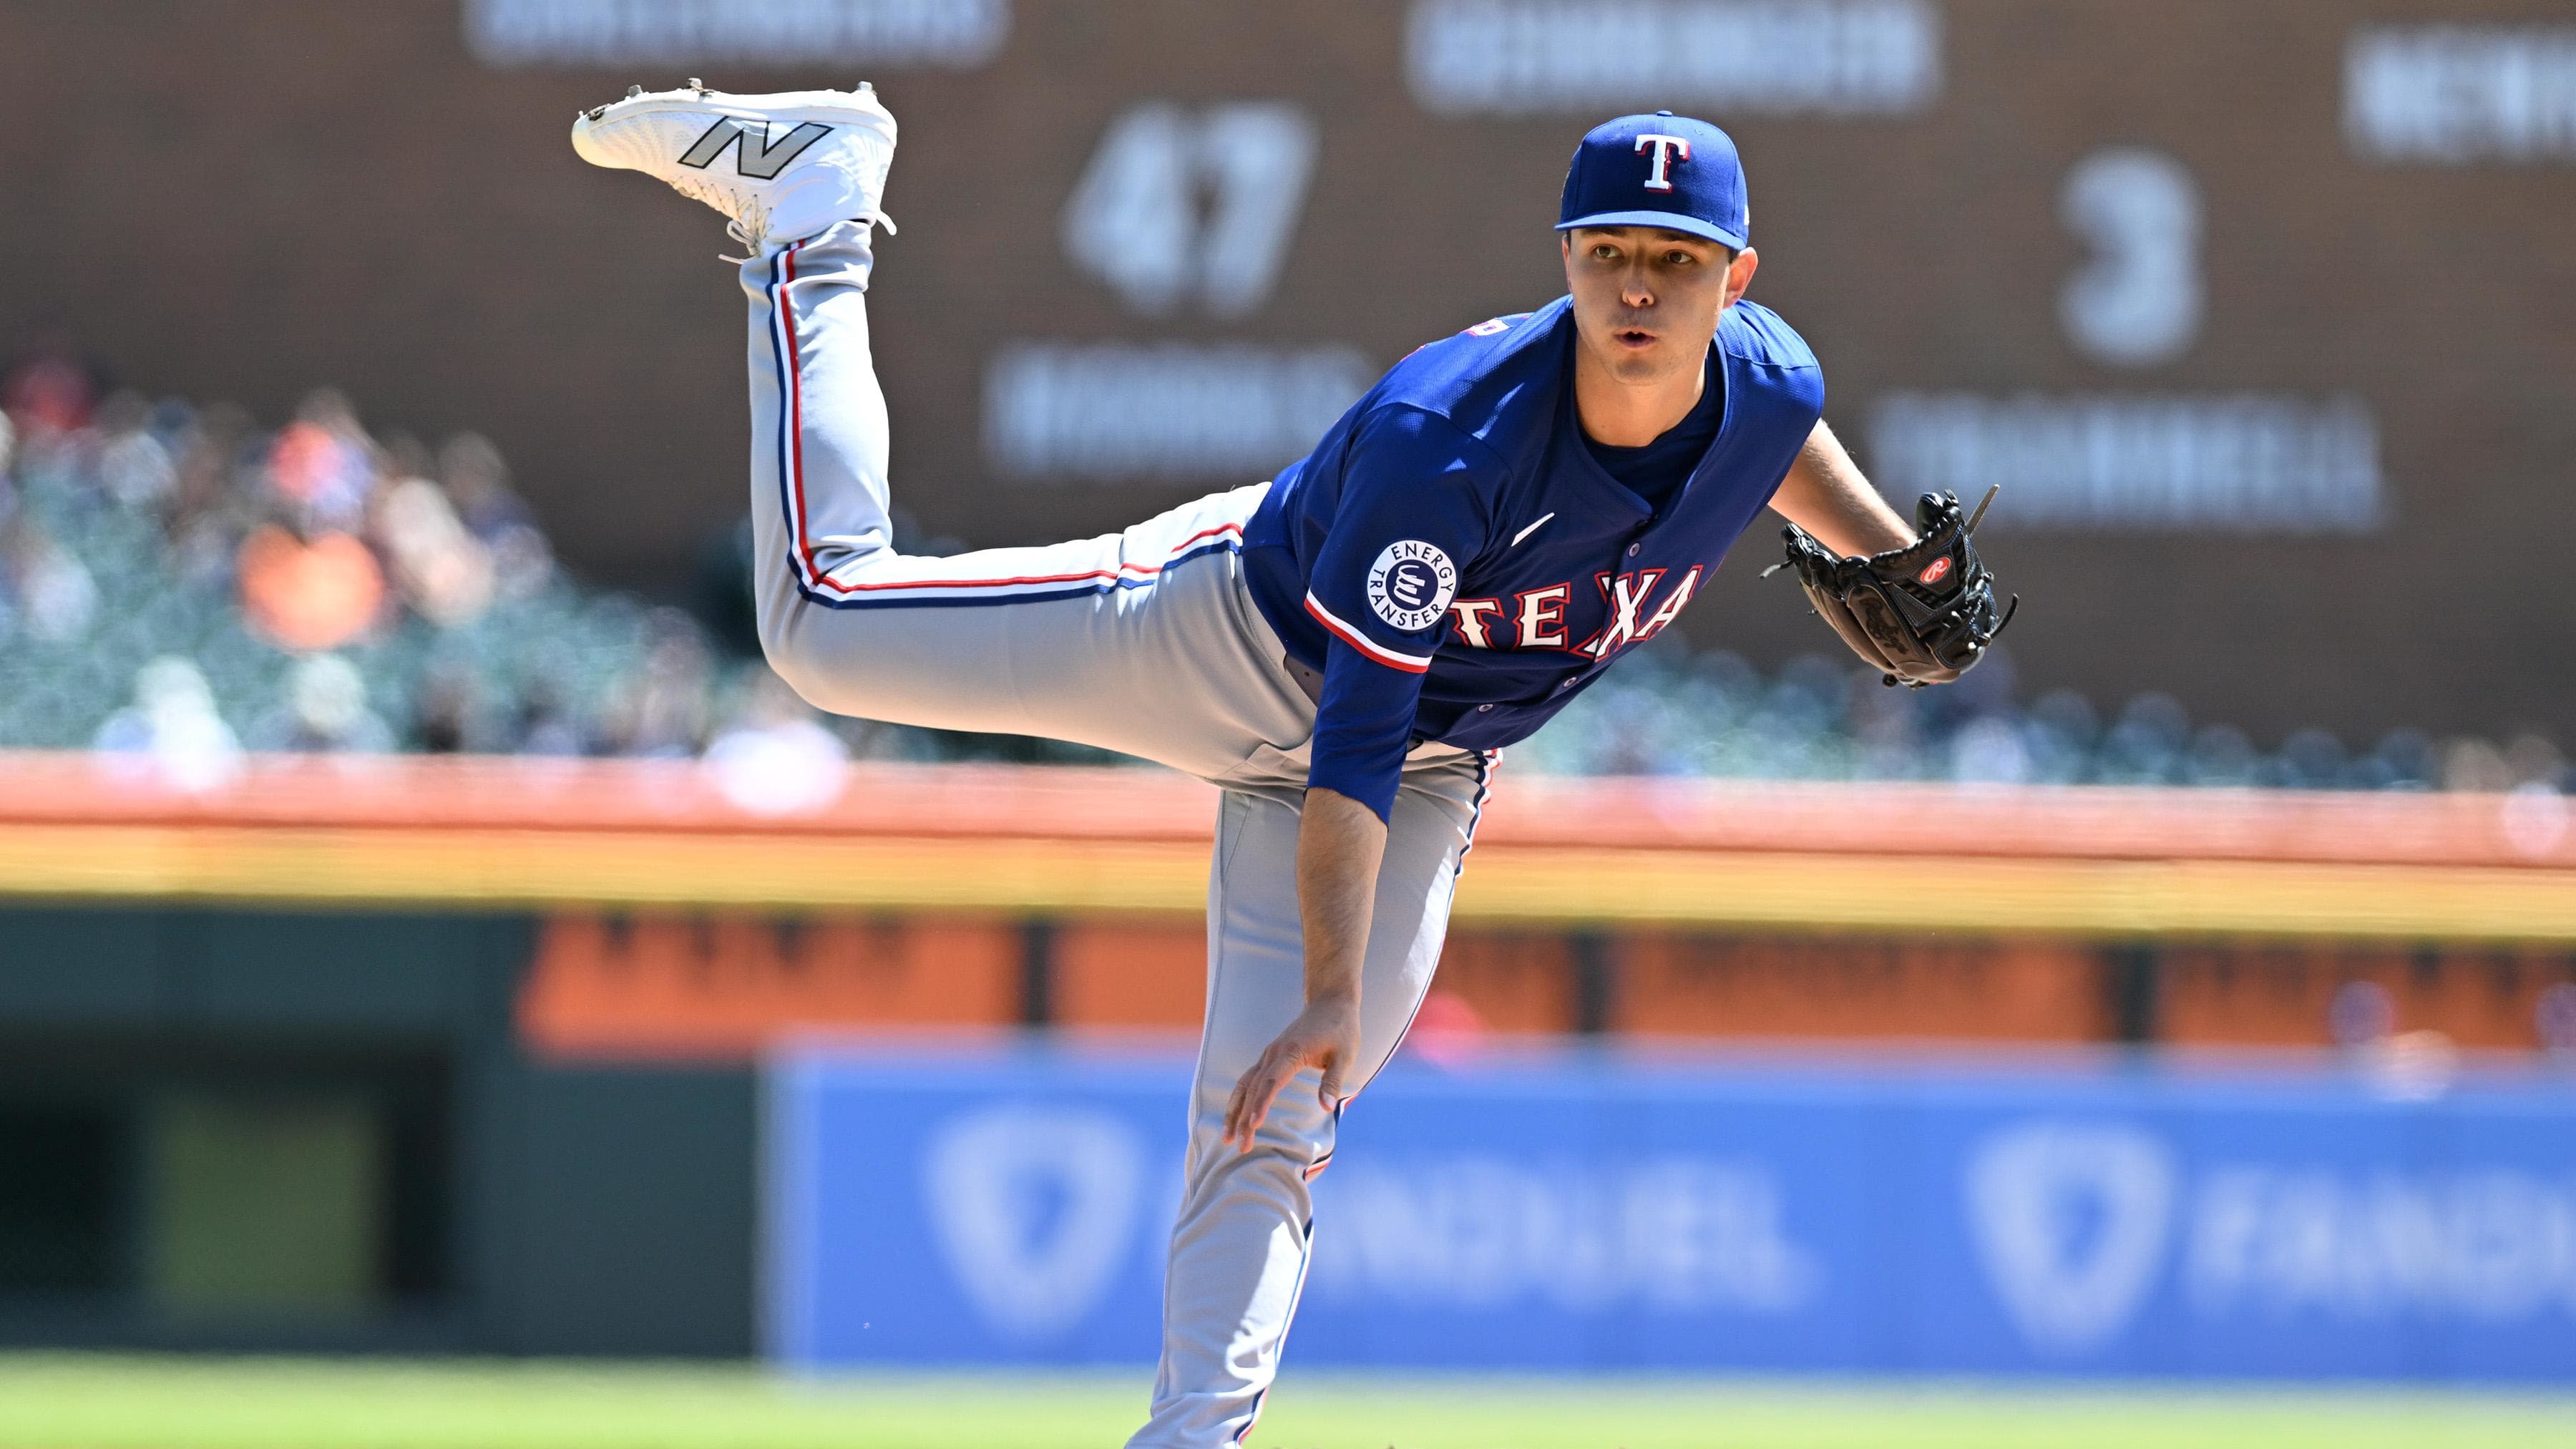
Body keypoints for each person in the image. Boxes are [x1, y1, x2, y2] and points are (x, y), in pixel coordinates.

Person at [575, 82, 1947, 1448]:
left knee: (1285, 1103)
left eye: (1676, 260)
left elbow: (1777, 434)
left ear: (1735, 278)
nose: (1639, 288)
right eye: (1611, 253)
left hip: (1429, 760)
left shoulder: (1771, 384)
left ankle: (1193, 1438)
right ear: (1566, 259)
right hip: (1229, 633)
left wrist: (1896, 557)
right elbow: (1349, 735)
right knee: (822, 622)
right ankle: (818, 212)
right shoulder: (1451, 439)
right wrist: (1332, 988)